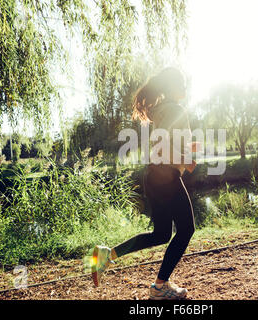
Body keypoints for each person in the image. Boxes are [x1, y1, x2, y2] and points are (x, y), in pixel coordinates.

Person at [90, 67, 199, 300]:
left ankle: (107, 256)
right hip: (165, 176)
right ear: (172, 87)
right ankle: (160, 287)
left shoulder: (162, 110)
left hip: (155, 176)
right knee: (186, 229)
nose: (185, 88)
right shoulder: (175, 109)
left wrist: (186, 153)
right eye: (182, 83)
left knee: (161, 234)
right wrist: (186, 160)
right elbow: (163, 147)